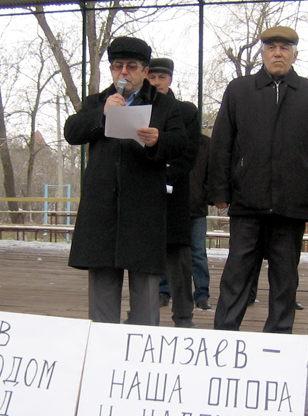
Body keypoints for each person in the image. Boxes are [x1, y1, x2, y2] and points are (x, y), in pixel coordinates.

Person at [209, 26, 308, 333]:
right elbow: (221, 144)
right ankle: (224, 336)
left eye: (284, 47)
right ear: (263, 52)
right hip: (246, 202)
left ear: (295, 54)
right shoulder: (239, 90)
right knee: (236, 275)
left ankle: (279, 339)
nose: (278, 53)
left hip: (292, 204)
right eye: (271, 47)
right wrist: (219, 190)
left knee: (284, 279)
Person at [64, 37, 188, 325]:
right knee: (103, 286)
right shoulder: (97, 102)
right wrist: (102, 113)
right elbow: (72, 131)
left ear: (144, 71)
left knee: (145, 288)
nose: (124, 72)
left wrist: (159, 140)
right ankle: (102, 349)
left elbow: (181, 143)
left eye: (131, 67)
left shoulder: (164, 104)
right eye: (117, 66)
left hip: (143, 208)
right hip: (103, 208)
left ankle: (142, 348)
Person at [147, 58, 201, 327]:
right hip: (142, 195)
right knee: (143, 256)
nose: (157, 82)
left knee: (179, 259)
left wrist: (164, 174)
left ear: (170, 79)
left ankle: (183, 315)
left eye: (162, 77)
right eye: (152, 77)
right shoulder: (138, 108)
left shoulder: (186, 111)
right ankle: (144, 315)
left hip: (175, 194)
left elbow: (189, 152)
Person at [189, 134, 212, 310]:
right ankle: (163, 291)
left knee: (198, 253)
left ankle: (202, 294)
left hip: (197, 207)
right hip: (173, 206)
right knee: (168, 251)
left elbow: (211, 173)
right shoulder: (171, 138)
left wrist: (207, 196)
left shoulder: (206, 144)